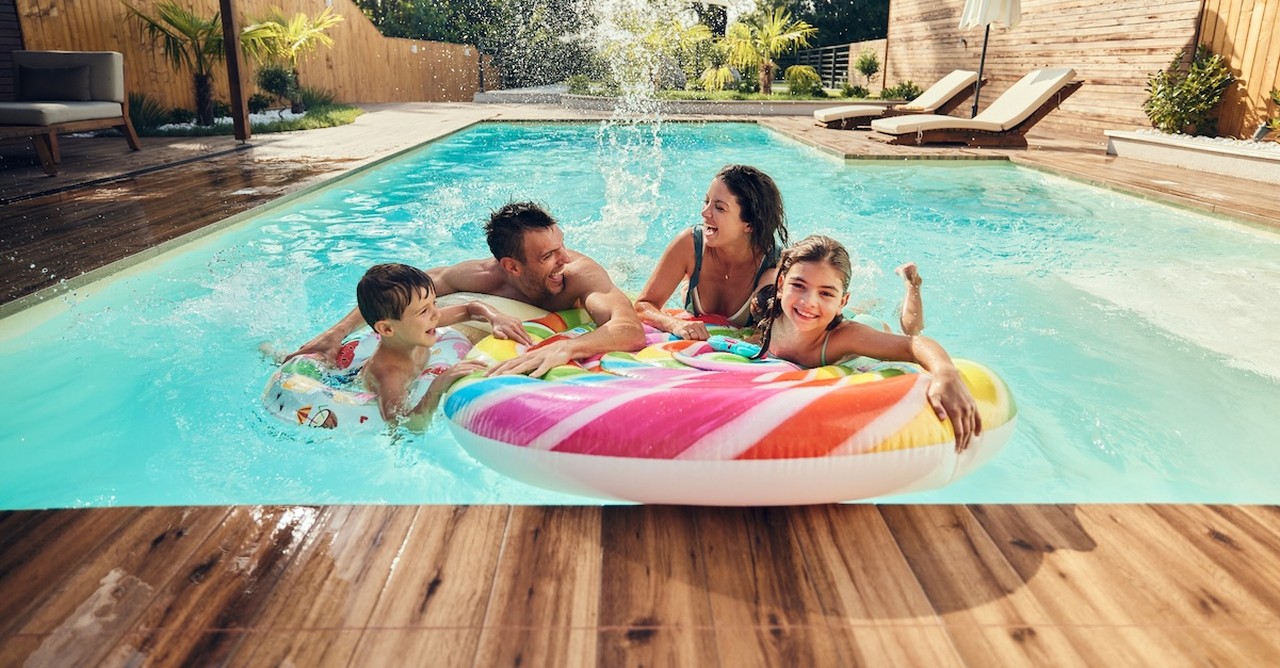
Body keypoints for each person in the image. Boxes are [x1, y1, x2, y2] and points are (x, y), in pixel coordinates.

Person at [289, 201, 646, 378]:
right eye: (549, 255)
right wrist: (336, 333)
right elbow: (399, 289)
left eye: (562, 246)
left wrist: (568, 348)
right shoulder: (484, 276)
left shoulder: (578, 275)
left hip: (605, 286)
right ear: (511, 266)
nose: (563, 259)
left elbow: (629, 329)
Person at [753, 235, 981, 451]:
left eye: (826, 293)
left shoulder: (844, 338)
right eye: (799, 286)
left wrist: (946, 372)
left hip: (863, 327)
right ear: (781, 285)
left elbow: (914, 345)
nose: (808, 301)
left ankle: (912, 283)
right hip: (827, 318)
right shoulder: (768, 315)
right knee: (839, 310)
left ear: (842, 301)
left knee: (912, 329)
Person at [634, 164, 789, 340]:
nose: (704, 212)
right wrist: (675, 324)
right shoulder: (690, 244)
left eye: (719, 207)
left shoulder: (773, 266)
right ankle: (688, 285)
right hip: (698, 266)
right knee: (687, 286)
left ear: (749, 225)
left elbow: (778, 332)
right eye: (706, 201)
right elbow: (643, 305)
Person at [354, 263, 487, 430]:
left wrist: (496, 318)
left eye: (435, 303)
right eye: (424, 311)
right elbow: (405, 427)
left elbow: (469, 310)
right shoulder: (389, 377)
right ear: (387, 329)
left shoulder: (415, 328)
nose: (436, 314)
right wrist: (437, 388)